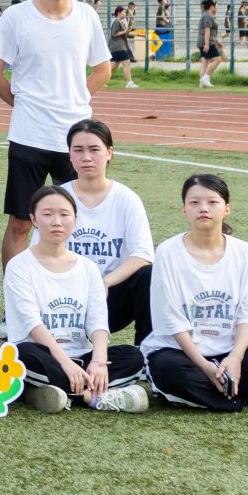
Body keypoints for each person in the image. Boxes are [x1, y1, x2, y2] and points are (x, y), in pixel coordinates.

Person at [0, 0, 111, 266]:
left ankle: (69, 286)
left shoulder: (86, 16)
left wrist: (76, 98)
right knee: (21, 222)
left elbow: (103, 69)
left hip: (75, 138)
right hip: (29, 136)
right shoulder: (16, 17)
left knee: (74, 221)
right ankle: (15, 292)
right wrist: (24, 104)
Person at [143, 174, 248, 410]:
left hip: (228, 352)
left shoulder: (246, 253)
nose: (203, 208)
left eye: (212, 202)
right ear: (184, 209)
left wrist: (235, 358)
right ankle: (242, 395)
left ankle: (208, 394)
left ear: (227, 208)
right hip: (181, 353)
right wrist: (204, 365)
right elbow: (171, 319)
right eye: (194, 202)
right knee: (167, 370)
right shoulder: (168, 252)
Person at [3, 185, 150, 414]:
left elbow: (98, 320)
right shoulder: (19, 266)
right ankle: (91, 396)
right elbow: (31, 323)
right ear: (33, 219)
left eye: (64, 214)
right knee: (22, 355)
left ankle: (41, 390)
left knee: (133, 357)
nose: (56, 222)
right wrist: (65, 363)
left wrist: (99, 361)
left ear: (75, 219)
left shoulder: (88, 267)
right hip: (43, 354)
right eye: (47, 214)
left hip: (82, 354)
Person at [61, 119, 154, 341]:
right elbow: (38, 255)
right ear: (70, 155)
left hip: (110, 297)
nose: (86, 157)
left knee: (149, 276)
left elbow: (142, 254)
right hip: (64, 298)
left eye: (94, 149)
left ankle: (147, 350)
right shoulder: (58, 197)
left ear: (109, 153)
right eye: (78, 150)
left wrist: (105, 283)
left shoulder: (126, 198)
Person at [108, 5, 140, 89]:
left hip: (118, 46)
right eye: (124, 12)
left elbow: (126, 33)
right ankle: (129, 82)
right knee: (127, 63)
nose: (125, 14)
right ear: (119, 13)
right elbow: (114, 34)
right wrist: (125, 31)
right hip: (118, 46)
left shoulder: (120, 22)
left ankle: (101, 80)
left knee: (113, 66)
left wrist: (139, 34)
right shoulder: (116, 21)